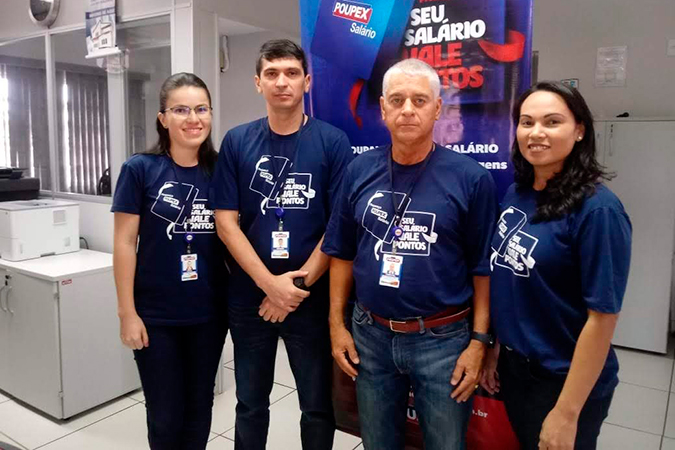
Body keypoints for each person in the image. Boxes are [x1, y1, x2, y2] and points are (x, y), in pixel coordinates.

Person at [322, 58, 498, 450]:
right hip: (370, 334)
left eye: (420, 100)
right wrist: (337, 325)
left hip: (444, 341)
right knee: (379, 443)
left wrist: (479, 342)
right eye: (397, 100)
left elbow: (483, 269)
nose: (407, 110)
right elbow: (342, 252)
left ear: (437, 109)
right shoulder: (358, 170)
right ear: (382, 108)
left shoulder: (471, 179)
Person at [211, 39, 353, 450]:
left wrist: (296, 288)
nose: (281, 82)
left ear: (307, 81)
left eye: (291, 73)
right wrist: (271, 286)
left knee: (316, 405)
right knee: (250, 403)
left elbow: (338, 226)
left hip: (310, 299)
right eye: (271, 74)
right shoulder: (238, 142)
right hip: (249, 298)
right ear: (258, 83)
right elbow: (225, 223)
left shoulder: (332, 142)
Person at [481, 81, 632, 450]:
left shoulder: (598, 211)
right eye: (526, 122)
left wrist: (567, 412)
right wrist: (496, 347)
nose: (536, 133)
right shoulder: (518, 192)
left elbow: (602, 319)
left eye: (552, 122)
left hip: (564, 380)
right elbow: (512, 281)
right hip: (516, 371)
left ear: (579, 130)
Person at [112, 73, 227, 450]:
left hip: (209, 314)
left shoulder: (222, 170)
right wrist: (127, 313)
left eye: (201, 109)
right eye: (180, 110)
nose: (192, 119)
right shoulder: (139, 169)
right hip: (156, 315)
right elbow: (125, 243)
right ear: (163, 118)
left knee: (199, 409)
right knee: (164, 414)